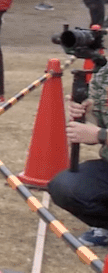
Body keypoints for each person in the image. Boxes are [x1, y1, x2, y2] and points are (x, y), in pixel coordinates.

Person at [50, 67, 108, 247]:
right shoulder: (105, 75)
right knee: (66, 187)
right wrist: (87, 114)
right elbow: (98, 126)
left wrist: (100, 135)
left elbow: (99, 134)